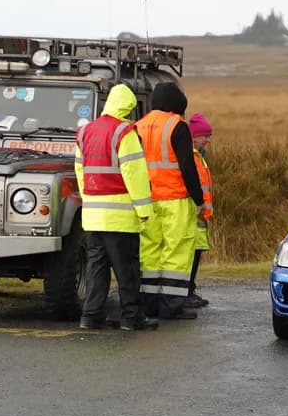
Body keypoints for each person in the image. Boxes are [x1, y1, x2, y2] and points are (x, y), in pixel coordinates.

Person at [74, 83, 155, 330]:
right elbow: (135, 174)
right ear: (128, 107)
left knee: (96, 269)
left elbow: (80, 170)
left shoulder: (85, 131)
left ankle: (90, 316)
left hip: (92, 217)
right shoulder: (124, 132)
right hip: (120, 218)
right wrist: (144, 211)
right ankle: (132, 318)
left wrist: (89, 199)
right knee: (126, 271)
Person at [134, 81, 206, 321]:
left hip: (146, 201)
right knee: (176, 252)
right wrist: (199, 199)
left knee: (150, 251)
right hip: (175, 199)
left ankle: (149, 305)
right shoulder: (177, 126)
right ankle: (171, 306)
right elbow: (188, 167)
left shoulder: (138, 126)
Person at [185, 112, 214, 310]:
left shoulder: (198, 157)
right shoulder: (192, 157)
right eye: (205, 136)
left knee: (195, 254)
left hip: (200, 217)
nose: (207, 141)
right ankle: (187, 291)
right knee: (190, 256)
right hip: (193, 216)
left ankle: (190, 290)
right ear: (195, 136)